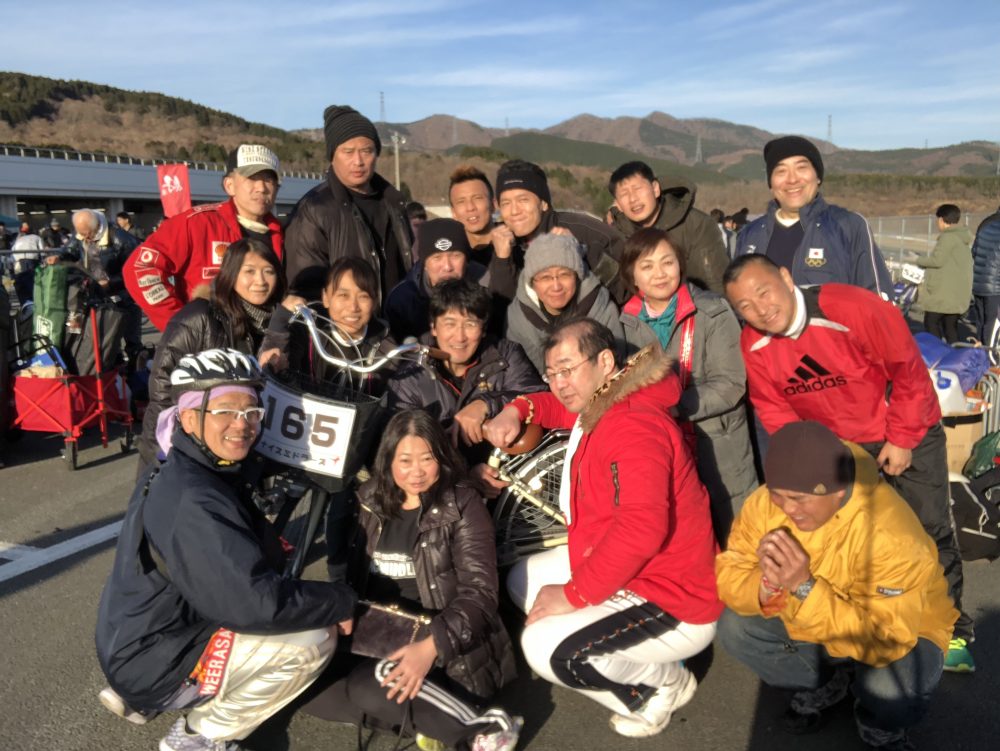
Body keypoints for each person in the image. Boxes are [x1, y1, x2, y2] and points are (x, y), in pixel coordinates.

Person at [723, 253, 975, 672]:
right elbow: (775, 408)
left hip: (901, 429)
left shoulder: (850, 308)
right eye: (745, 306)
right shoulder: (755, 343)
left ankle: (949, 629)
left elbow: (908, 372)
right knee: (848, 536)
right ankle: (855, 628)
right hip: (838, 450)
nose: (760, 310)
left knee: (927, 531)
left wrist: (901, 437)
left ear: (785, 277)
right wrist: (804, 463)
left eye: (764, 292)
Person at [95, 348, 355, 751]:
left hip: (137, 638)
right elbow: (255, 604)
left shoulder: (183, 463)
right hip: (152, 659)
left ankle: (156, 692)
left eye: (251, 412)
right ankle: (200, 734)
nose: (242, 424)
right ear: (188, 417)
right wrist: (339, 600)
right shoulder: (196, 500)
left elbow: (247, 467)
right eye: (225, 411)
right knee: (313, 638)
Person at [483, 319, 722, 738]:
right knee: (522, 582)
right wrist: (519, 408)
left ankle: (660, 688)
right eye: (552, 373)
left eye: (567, 369)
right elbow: (562, 410)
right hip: (636, 566)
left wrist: (574, 596)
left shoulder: (633, 423)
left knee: (545, 649)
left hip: (674, 595)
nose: (560, 383)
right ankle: (628, 651)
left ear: (606, 362)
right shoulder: (608, 399)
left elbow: (641, 529)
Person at [716, 420, 958, 750]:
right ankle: (826, 683)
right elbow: (732, 566)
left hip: (904, 630)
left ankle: (878, 723)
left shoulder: (891, 536)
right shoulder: (764, 504)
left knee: (895, 690)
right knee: (736, 628)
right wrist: (766, 585)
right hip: (817, 614)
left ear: (838, 491)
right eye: (778, 495)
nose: (787, 508)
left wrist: (803, 587)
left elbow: (887, 640)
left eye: (798, 499)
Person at [303, 410, 521, 751]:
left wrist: (430, 647)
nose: (416, 471)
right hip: (378, 632)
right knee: (309, 687)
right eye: (405, 460)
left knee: (369, 686)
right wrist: (342, 605)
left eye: (427, 459)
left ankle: (485, 728)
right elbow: (348, 572)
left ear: (442, 458)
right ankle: (430, 719)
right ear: (388, 460)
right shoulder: (369, 499)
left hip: (446, 643)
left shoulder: (462, 504)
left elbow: (481, 596)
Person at [619, 228, 756, 543]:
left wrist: (675, 406)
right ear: (632, 276)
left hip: (719, 445)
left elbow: (731, 383)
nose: (660, 273)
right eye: (647, 266)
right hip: (664, 449)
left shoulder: (712, 311)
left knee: (739, 537)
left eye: (667, 262)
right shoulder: (625, 323)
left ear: (680, 264)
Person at [137, 238, 286, 474]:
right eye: (249, 271)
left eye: (268, 271)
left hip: (236, 441)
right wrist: (167, 456)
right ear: (230, 274)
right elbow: (163, 393)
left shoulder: (273, 323)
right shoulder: (199, 316)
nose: (260, 281)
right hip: (188, 447)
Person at [388, 279, 543, 498]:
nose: (460, 337)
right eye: (449, 323)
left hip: (513, 480)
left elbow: (540, 397)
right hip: (442, 490)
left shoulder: (506, 355)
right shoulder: (409, 376)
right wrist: (465, 477)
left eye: (470, 324)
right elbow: (403, 451)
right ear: (433, 327)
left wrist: (486, 404)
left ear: (483, 328)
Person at [123, 144, 283, 331]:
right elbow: (139, 268)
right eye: (252, 178)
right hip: (209, 343)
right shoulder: (197, 222)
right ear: (229, 185)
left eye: (269, 179)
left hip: (267, 341)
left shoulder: (286, 234)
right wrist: (181, 325)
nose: (261, 188)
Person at [283, 105, 413, 304]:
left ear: (376, 154)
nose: (358, 161)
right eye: (348, 152)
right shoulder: (314, 210)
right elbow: (306, 291)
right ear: (332, 156)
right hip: (346, 322)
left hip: (396, 321)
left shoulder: (394, 203)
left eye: (366, 151)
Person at [734, 135, 892, 296]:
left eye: (801, 168)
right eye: (781, 171)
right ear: (771, 183)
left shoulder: (849, 226)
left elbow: (878, 299)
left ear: (817, 177)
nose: (792, 179)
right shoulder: (749, 234)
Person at [493, 159, 627, 302]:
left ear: (543, 203)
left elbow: (624, 290)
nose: (514, 211)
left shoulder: (585, 231)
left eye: (523, 200)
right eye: (506, 203)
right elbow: (502, 305)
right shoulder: (503, 241)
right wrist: (502, 260)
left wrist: (581, 253)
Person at [261, 256, 394, 393]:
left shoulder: (386, 346)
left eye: (363, 296)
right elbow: (272, 367)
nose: (353, 307)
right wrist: (280, 319)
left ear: (374, 301)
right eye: (343, 295)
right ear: (325, 297)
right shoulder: (309, 328)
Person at [505, 232, 624, 373]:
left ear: (577, 277)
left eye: (564, 275)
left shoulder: (600, 307)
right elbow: (521, 374)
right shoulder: (518, 318)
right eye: (545, 277)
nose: (556, 286)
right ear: (532, 283)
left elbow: (616, 363)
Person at [607, 161, 730, 295]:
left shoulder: (697, 224)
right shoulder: (614, 236)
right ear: (618, 204)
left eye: (638, 189)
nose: (633, 199)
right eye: (624, 194)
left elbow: (716, 285)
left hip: (694, 303)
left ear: (655, 189)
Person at [384, 218, 514, 341]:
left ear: (466, 260)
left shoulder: (486, 287)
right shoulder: (403, 300)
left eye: (455, 256)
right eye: (437, 258)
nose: (447, 267)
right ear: (424, 264)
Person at [61, 208, 142, 361]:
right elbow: (69, 252)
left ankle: (136, 367)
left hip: (123, 293)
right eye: (81, 234)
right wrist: (58, 258)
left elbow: (136, 269)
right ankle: (114, 366)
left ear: (97, 226)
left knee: (131, 337)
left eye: (87, 234)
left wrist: (111, 282)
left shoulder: (122, 239)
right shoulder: (81, 234)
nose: (84, 238)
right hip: (95, 292)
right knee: (107, 338)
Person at [448, 165, 518, 302]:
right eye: (461, 202)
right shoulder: (448, 255)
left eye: (477, 198)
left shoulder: (517, 244)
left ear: (493, 205)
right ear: (453, 212)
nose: (470, 207)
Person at [914, 204, 973, 343]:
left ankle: (937, 350)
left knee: (931, 322)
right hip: (956, 293)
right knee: (950, 327)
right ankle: (955, 353)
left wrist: (918, 260)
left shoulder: (948, 237)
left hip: (942, 295)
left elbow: (937, 260)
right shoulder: (961, 238)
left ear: (941, 219)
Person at [970, 204, 1000, 346]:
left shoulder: (986, 224)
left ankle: (980, 352)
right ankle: (989, 354)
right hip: (996, 286)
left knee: (981, 321)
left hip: (979, 282)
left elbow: (974, 252)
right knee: (992, 324)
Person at [11, 221, 44, 303]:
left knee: (22, 280)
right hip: (32, 259)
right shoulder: (37, 237)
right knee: (32, 280)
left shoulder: (18, 239)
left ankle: (26, 301)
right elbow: (42, 250)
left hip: (19, 261)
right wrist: (43, 259)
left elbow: (13, 250)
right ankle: (35, 299)